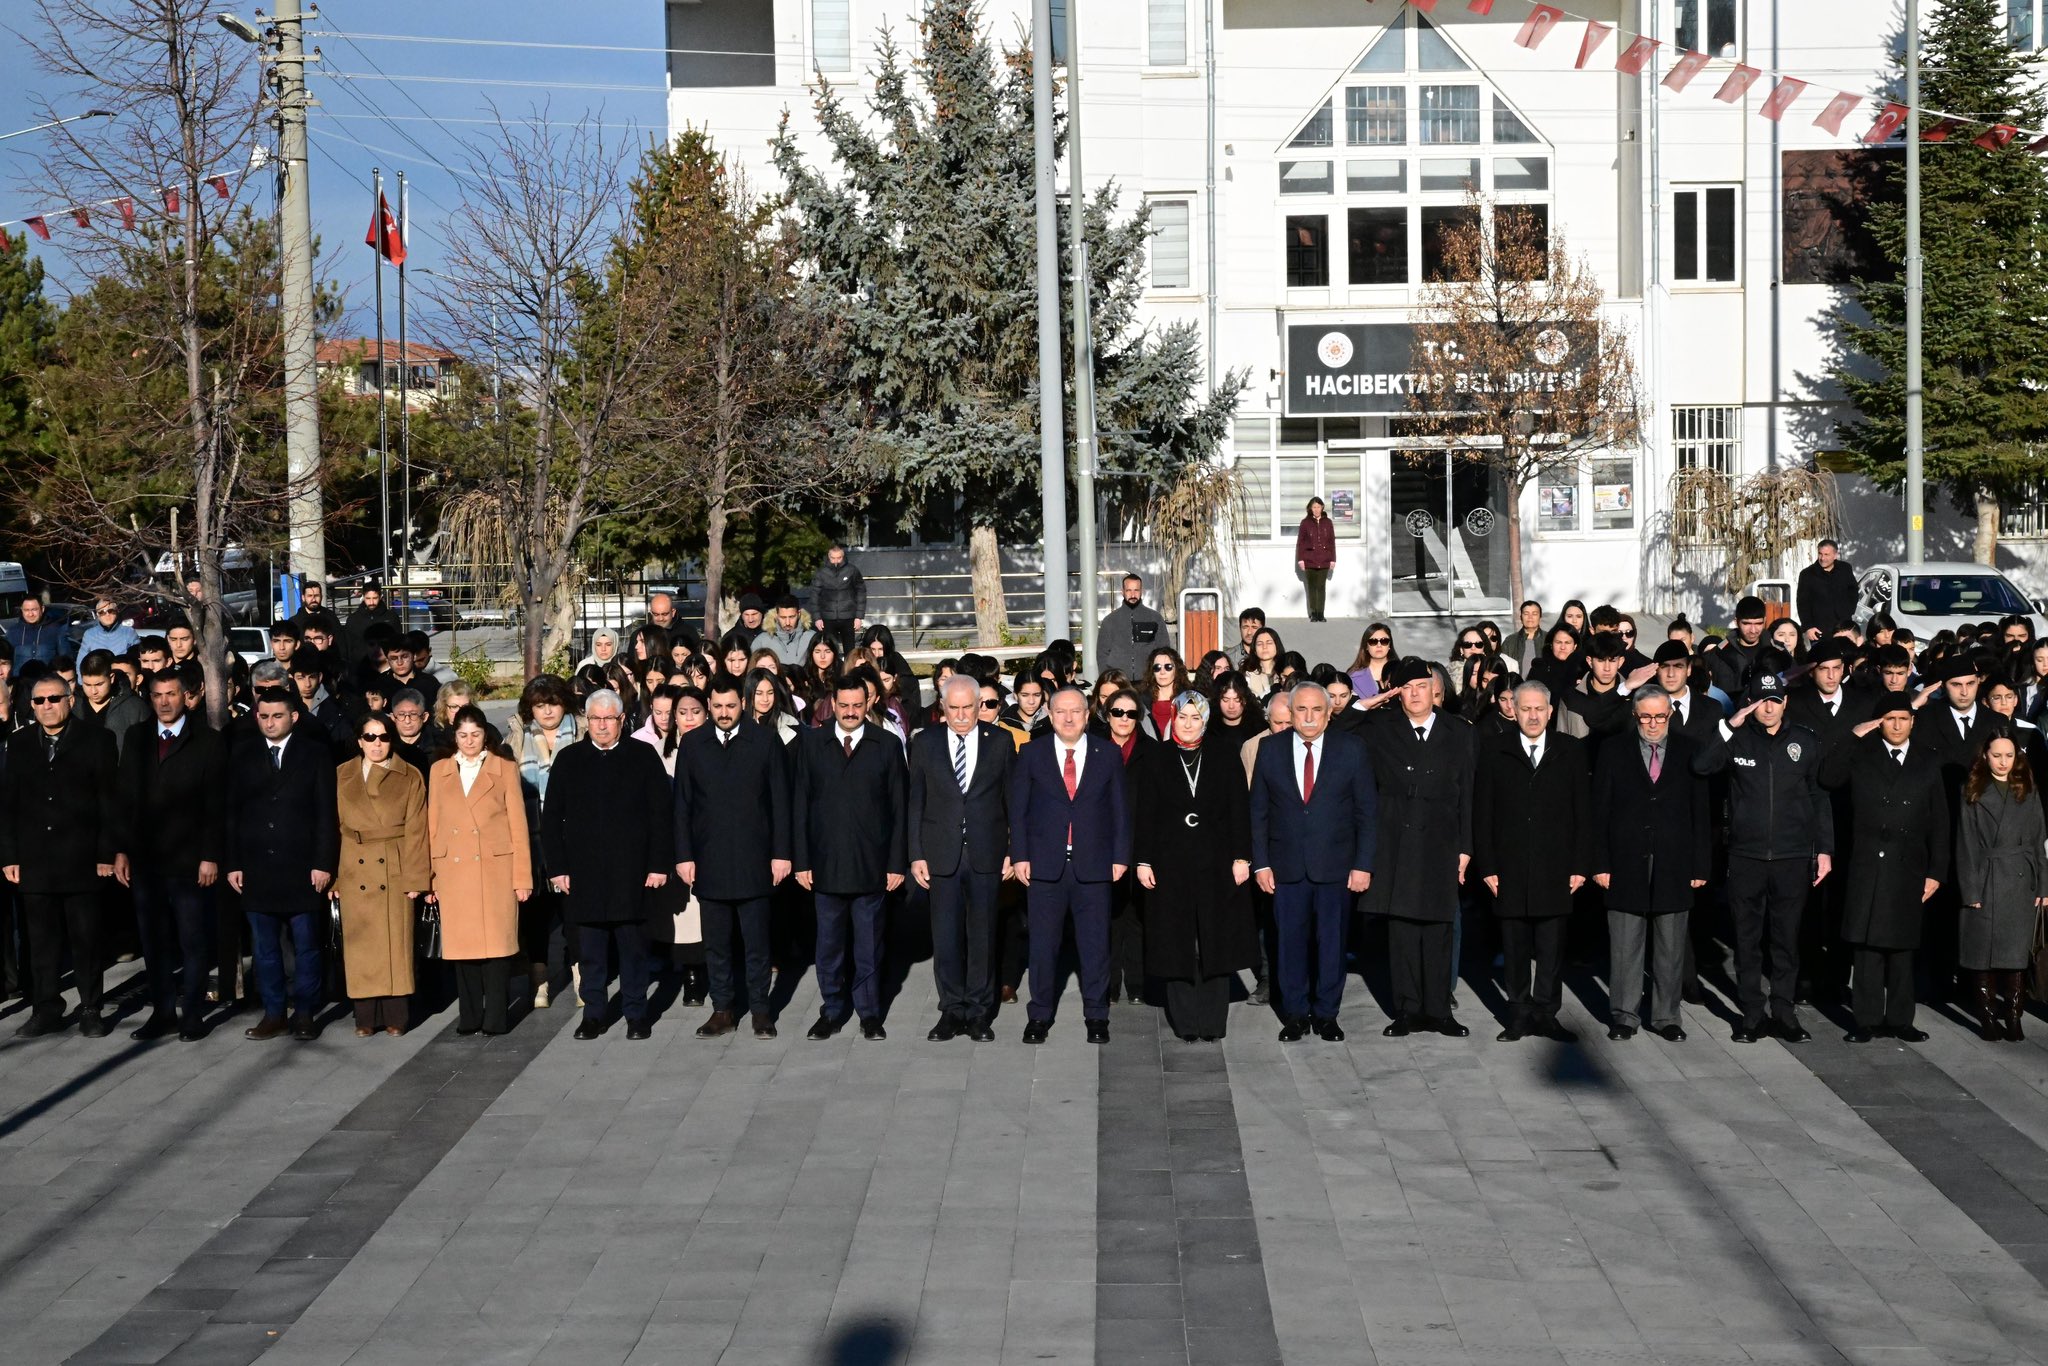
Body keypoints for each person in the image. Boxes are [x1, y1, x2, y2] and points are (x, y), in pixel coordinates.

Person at [1705, 661, 1834, 1043]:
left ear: (1785, 702)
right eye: (1761, 701)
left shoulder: (1805, 741)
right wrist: (1730, 725)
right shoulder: (1737, 738)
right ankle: (1751, 1014)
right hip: (1746, 856)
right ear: (1750, 703)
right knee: (1746, 941)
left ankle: (1784, 1011)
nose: (1768, 708)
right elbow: (1702, 765)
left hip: (1792, 857)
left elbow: (1819, 797)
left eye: (1774, 700)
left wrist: (1824, 849)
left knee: (1786, 940)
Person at [541, 689, 674, 1040]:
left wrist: (658, 864)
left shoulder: (642, 756)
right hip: (584, 875)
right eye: (595, 719)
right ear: (587, 720)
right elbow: (551, 819)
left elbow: (661, 815)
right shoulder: (569, 759)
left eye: (609, 719)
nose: (602, 725)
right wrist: (557, 868)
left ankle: (636, 1013)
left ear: (621, 720)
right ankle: (594, 1014)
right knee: (591, 953)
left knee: (633, 951)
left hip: (632, 873)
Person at [1817, 693, 1948, 1044]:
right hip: (1868, 864)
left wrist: (1936, 871)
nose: (1897, 725)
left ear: (1913, 722)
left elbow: (1939, 820)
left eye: (1903, 719)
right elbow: (1828, 777)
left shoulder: (1928, 759)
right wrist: (1854, 735)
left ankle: (1901, 1020)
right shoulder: (1862, 753)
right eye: (1890, 719)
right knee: (1867, 946)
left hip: (1909, 866)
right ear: (1879, 723)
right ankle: (1867, 1020)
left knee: (1903, 947)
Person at [1249, 682, 1373, 1041]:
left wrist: (1363, 864)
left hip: (1336, 867)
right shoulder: (1270, 749)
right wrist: (1261, 863)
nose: (1308, 717)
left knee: (1332, 944)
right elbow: (1258, 811)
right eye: (1301, 709)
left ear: (1329, 713)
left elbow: (1367, 812)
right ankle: (1295, 1014)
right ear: (1290, 713)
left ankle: (1327, 1014)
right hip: (1285, 867)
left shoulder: (1352, 749)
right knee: (1289, 944)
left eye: (1316, 709)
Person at [1359, 658, 1475, 1038]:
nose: (1414, 694)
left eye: (1421, 687)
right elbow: (1341, 727)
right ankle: (1407, 1011)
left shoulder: (1459, 731)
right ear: (1397, 693)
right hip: (1397, 843)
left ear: (1434, 690)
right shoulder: (1381, 728)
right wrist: (1367, 703)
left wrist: (1466, 848)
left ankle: (1440, 1011)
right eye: (1406, 688)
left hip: (1442, 842)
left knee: (1440, 929)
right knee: (1403, 930)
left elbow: (1469, 793)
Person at [1, 675, 122, 1037]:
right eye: (39, 701)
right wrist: (9, 855)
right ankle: (46, 1008)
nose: (47, 706)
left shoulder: (98, 739)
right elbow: (9, 803)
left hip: (81, 858)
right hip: (35, 860)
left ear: (70, 699)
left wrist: (106, 853)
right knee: (41, 943)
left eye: (54, 698)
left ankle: (90, 1008)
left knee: (86, 940)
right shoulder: (19, 742)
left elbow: (109, 802)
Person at [1131, 691, 1256, 1041]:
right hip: (1170, 863)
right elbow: (1145, 812)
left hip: (1217, 862)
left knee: (1217, 941)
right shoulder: (1157, 756)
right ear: (1173, 718)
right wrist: (1143, 860)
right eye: (1182, 717)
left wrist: (1242, 857)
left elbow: (1238, 808)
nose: (1188, 724)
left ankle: (1213, 1023)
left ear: (1205, 720)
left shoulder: (1223, 754)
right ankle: (1186, 1023)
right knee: (1176, 942)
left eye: (1195, 717)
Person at [674, 675, 792, 1040]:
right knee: (717, 944)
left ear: (743, 703)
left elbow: (780, 801)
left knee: (757, 944)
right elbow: (682, 805)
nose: (724, 713)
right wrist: (684, 856)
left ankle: (760, 1010)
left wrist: (781, 854)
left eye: (730, 706)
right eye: (717, 706)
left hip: (755, 859)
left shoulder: (765, 741)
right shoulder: (693, 743)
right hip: (709, 860)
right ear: (709, 706)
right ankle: (722, 1009)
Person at [1010, 686, 1130, 1044]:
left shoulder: (1107, 754)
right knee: (1043, 946)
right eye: (1060, 711)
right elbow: (1018, 811)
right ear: (1050, 715)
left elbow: (1120, 811)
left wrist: (1120, 857)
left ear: (1087, 715)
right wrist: (1020, 855)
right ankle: (1039, 1015)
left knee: (1095, 946)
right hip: (1044, 866)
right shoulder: (1031, 753)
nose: (1068, 718)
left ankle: (1097, 1015)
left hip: (1094, 865)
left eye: (1075, 711)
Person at [1472, 681, 1590, 1043]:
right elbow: (1483, 812)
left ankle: (1546, 1013)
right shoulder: (1495, 749)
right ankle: (1519, 1014)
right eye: (1525, 709)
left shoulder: (1570, 750)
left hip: (1556, 866)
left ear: (1551, 712)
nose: (1533, 716)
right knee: (1515, 947)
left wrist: (1580, 865)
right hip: (1509, 866)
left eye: (1540, 709)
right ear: (1514, 710)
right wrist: (1488, 866)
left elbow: (1582, 812)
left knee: (1552, 949)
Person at [794, 677, 909, 1041]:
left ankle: (869, 1013)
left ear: (868, 703)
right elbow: (800, 805)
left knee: (869, 946)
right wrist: (801, 861)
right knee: (828, 945)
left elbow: (899, 809)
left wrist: (896, 863)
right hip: (824, 865)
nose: (850, 712)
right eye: (843, 705)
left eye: (857, 705)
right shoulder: (813, 743)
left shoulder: (886, 745)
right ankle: (831, 1010)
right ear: (833, 704)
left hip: (871, 866)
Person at [1592, 690, 1711, 1041]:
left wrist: (1701, 865)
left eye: (1660, 716)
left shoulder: (1690, 750)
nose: (1653, 724)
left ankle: (1666, 1016)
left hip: (1675, 860)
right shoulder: (1613, 750)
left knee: (1671, 945)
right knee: (1625, 944)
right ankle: (1624, 1015)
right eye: (1645, 717)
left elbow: (1700, 813)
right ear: (1634, 715)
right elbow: (1599, 811)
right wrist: (1600, 862)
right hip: (1625, 859)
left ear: (1670, 715)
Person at [117, 669, 227, 1041]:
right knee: (153, 940)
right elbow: (125, 797)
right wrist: (121, 849)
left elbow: (216, 803)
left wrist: (210, 855)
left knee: (192, 940)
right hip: (146, 859)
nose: (164, 702)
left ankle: (192, 1013)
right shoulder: (137, 737)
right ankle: (162, 1012)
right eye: (157, 695)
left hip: (189, 860)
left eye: (171, 694)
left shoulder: (208, 740)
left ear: (186, 696)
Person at [227, 688, 339, 1042]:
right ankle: (273, 1013)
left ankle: (304, 1012)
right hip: (257, 867)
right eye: (263, 716)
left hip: (302, 866)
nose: (270, 723)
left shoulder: (314, 753)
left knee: (306, 946)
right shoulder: (243, 754)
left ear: (294, 717)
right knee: (265, 949)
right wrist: (234, 862)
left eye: (277, 716)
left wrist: (323, 862)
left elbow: (326, 812)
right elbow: (231, 813)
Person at [909, 674, 1014, 1042]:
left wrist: (1014, 851)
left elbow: (1012, 800)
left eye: (968, 707)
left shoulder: (1000, 742)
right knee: (946, 937)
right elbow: (916, 801)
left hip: (987, 852)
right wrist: (916, 854)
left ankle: (980, 1012)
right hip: (941, 854)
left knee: (983, 935)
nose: (961, 715)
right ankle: (952, 1010)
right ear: (942, 707)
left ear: (979, 705)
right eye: (953, 708)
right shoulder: (925, 742)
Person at [424, 707, 531, 1036]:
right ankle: (469, 1016)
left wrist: (522, 878)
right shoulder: (440, 770)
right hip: (453, 870)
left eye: (475, 734)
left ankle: (496, 1017)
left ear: (486, 735)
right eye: (463, 735)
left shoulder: (504, 768)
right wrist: (430, 877)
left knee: (497, 949)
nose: (469, 741)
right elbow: (432, 826)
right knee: (463, 950)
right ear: (454, 736)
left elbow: (518, 826)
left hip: (495, 869)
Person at [336, 712, 431, 1036]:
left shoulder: (410, 775)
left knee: (396, 945)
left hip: (394, 866)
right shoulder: (342, 774)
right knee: (360, 946)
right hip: (354, 864)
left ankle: (396, 1017)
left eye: (384, 737)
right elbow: (333, 827)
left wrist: (416, 878)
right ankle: (364, 1018)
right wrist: (334, 876)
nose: (377, 744)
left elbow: (418, 830)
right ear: (359, 741)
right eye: (370, 737)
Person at [1956, 736, 2046, 1042]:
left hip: (2021, 881)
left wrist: (2044, 885)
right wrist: (1970, 890)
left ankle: (2014, 1016)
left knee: (2016, 954)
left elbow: (2039, 841)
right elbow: (1966, 843)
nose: (2003, 761)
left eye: (2009, 755)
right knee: (1982, 953)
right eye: (1997, 755)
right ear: (1985, 755)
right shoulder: (1972, 790)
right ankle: (1987, 1017)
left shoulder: (2028, 789)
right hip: (1987, 877)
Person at [510, 677, 579, 1009]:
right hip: (532, 841)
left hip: (572, 842)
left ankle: (581, 977)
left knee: (575, 916)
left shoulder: (580, 732)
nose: (547, 711)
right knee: (536, 919)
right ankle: (539, 981)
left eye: (553, 703)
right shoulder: (517, 738)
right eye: (539, 705)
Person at [1094, 574, 1169, 685]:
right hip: (1118, 682)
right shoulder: (1110, 621)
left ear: (1141, 591)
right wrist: (1107, 680)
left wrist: (1159, 675)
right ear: (1122, 592)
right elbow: (1102, 653)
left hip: (1148, 681)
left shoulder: (1155, 618)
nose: (1133, 595)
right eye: (1129, 590)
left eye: (1136, 590)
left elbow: (1164, 650)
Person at [74, 649, 148, 756]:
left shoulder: (134, 706)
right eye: (87, 685)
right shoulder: (73, 705)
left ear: (112, 678)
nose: (94, 691)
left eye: (99, 684)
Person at [810, 544, 867, 654]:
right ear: (828, 556)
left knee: (850, 651)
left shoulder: (852, 570)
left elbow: (861, 592)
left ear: (843, 556)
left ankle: (849, 666)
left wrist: (859, 617)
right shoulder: (821, 573)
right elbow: (814, 596)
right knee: (830, 650)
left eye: (839, 558)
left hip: (848, 617)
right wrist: (817, 618)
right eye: (833, 558)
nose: (836, 561)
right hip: (828, 618)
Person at [1796, 539, 1858, 638]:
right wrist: (1808, 627)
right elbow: (1803, 603)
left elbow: (1853, 591)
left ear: (1835, 555)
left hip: (1843, 627)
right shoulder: (1807, 574)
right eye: (1820, 554)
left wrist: (1849, 611)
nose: (1822, 558)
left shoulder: (1845, 568)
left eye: (1826, 554)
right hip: (1819, 630)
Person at [1295, 497, 1336, 621]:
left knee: (1321, 587)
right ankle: (1313, 613)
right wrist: (1301, 559)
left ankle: (1320, 613)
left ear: (1322, 507)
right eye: (1314, 507)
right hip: (1309, 559)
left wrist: (1333, 559)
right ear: (1310, 508)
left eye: (1318, 507)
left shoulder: (1328, 522)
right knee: (1312, 587)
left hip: (1324, 559)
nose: (1316, 509)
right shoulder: (1305, 523)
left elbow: (1331, 541)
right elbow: (1300, 542)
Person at [5, 596, 64, 669]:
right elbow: (5, 661)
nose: (30, 614)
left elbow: (65, 661)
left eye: (34, 609)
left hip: (47, 675)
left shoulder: (56, 630)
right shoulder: (12, 632)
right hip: (20, 676)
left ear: (42, 609)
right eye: (26, 610)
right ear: (22, 610)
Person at [762, 596, 815, 669]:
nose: (787, 623)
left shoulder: (812, 637)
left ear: (799, 614)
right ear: (776, 616)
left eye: (791, 617)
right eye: (783, 617)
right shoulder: (763, 640)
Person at [1347, 624, 1397, 699]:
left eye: (1384, 641)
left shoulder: (1402, 672)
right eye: (1373, 641)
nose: (1379, 645)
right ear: (1366, 646)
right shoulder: (1352, 677)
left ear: (1390, 645)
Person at [1505, 601, 1545, 675]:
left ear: (1540, 617)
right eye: (1526, 614)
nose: (1530, 617)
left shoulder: (1549, 639)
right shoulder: (1510, 641)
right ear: (1521, 617)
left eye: (1534, 614)